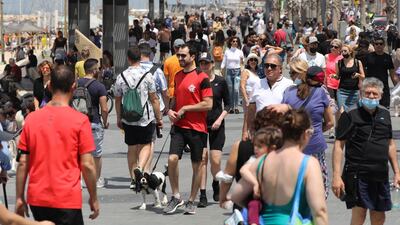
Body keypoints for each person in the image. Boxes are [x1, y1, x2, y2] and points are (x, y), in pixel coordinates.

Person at [15, 65, 99, 225]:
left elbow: (23, 162)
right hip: (67, 198)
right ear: (74, 87)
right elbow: (88, 165)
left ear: (50, 86)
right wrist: (93, 197)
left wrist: (19, 197)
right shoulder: (80, 121)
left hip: (38, 199)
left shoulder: (31, 119)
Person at [231, 109, 328, 225]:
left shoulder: (262, 161)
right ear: (305, 134)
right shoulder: (309, 164)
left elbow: (236, 195)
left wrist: (256, 208)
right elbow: (319, 211)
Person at [332, 77, 400, 225]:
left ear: (381, 96)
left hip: (380, 174)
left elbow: (390, 144)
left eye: (375, 94)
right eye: (367, 93)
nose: (371, 96)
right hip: (358, 174)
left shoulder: (385, 114)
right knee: (360, 214)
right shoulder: (350, 114)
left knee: (379, 216)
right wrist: (336, 176)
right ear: (361, 94)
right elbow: (338, 145)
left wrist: (397, 172)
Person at [163, 44, 213, 215]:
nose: (180, 59)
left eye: (183, 56)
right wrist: (170, 110)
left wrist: (186, 109)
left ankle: (192, 200)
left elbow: (208, 104)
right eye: (178, 55)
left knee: (197, 165)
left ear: (193, 56)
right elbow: (175, 98)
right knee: (172, 159)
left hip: (197, 128)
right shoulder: (177, 76)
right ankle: (176, 196)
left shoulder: (202, 77)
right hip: (179, 126)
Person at [276, 65, 334, 197]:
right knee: (318, 189)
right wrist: (316, 130)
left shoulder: (288, 92)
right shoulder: (321, 93)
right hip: (315, 146)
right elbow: (330, 122)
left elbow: (282, 118)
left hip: (291, 146)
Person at [114, 46, 163, 192]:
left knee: (131, 148)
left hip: (128, 118)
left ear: (128, 59)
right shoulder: (147, 75)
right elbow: (154, 99)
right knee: (145, 145)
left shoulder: (121, 76)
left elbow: (117, 100)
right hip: (145, 118)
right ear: (140, 58)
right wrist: (158, 117)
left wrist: (119, 117)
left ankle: (133, 179)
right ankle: (141, 168)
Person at [197, 52, 230, 208]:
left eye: (207, 63)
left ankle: (216, 182)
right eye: (201, 63)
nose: (204, 66)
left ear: (212, 64)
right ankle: (202, 194)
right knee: (202, 159)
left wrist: (219, 119)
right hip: (200, 125)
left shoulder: (220, 81)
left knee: (215, 159)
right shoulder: (196, 82)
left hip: (217, 124)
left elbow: (228, 105)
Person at [77, 58, 109, 188]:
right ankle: (97, 180)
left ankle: (78, 180)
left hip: (78, 123)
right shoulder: (99, 86)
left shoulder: (76, 83)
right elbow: (105, 108)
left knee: (78, 152)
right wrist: (105, 122)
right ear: (94, 70)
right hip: (94, 122)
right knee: (96, 153)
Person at [247, 54, 293, 137]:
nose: (269, 68)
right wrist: (246, 131)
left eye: (273, 66)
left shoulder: (289, 85)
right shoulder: (257, 84)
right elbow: (251, 110)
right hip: (261, 133)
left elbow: (295, 109)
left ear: (280, 69)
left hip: (282, 133)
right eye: (266, 65)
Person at [364, 37, 399, 108]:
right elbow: (363, 72)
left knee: (384, 108)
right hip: (371, 86)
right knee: (371, 108)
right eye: (376, 44)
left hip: (383, 88)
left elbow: (392, 73)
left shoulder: (388, 57)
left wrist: (397, 86)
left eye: (381, 44)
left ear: (384, 45)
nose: (379, 45)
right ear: (374, 45)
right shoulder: (368, 56)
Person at [333, 44, 365, 112]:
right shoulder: (339, 63)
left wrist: (358, 75)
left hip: (354, 92)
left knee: (353, 112)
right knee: (342, 111)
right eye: (342, 51)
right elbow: (338, 76)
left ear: (350, 51)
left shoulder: (357, 62)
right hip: (342, 91)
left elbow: (363, 76)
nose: (343, 53)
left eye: (345, 51)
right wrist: (334, 76)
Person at [221, 36, 244, 114]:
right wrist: (221, 68)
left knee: (236, 89)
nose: (235, 43)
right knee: (230, 90)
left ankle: (236, 107)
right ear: (230, 42)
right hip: (229, 72)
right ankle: (231, 107)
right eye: (233, 41)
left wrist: (242, 68)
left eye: (236, 41)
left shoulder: (240, 52)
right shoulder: (227, 51)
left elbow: (242, 62)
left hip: (237, 71)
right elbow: (224, 61)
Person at [240, 53, 260, 141]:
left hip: (255, 99)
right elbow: (242, 86)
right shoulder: (245, 71)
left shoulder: (256, 73)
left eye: (255, 60)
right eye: (251, 60)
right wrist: (246, 99)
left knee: (253, 120)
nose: (253, 62)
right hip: (248, 99)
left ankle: (251, 138)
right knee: (247, 119)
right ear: (248, 61)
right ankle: (244, 140)